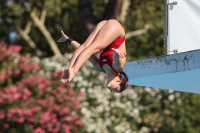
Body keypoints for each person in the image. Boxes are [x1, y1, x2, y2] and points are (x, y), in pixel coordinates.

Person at [58, 19, 129, 93]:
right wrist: (118, 54)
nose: (111, 91)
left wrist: (68, 40)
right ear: (119, 81)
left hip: (104, 25)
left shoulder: (99, 67)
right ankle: (74, 70)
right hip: (116, 30)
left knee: (85, 46)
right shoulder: (118, 68)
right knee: (94, 48)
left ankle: (71, 68)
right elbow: (117, 58)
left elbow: (83, 51)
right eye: (115, 89)